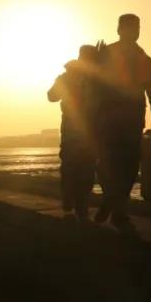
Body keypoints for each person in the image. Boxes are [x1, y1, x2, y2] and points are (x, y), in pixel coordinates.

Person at [93, 13, 151, 232]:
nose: (134, 31)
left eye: (137, 27)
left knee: (130, 166)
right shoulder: (105, 54)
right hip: (108, 120)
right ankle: (112, 200)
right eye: (129, 27)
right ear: (119, 30)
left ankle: (117, 208)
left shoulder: (144, 58)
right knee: (107, 163)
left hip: (133, 120)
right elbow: (90, 84)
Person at [47, 44, 100, 221]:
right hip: (75, 130)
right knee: (74, 167)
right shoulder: (69, 76)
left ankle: (79, 205)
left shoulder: (95, 78)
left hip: (89, 131)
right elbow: (52, 96)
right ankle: (72, 202)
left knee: (85, 169)